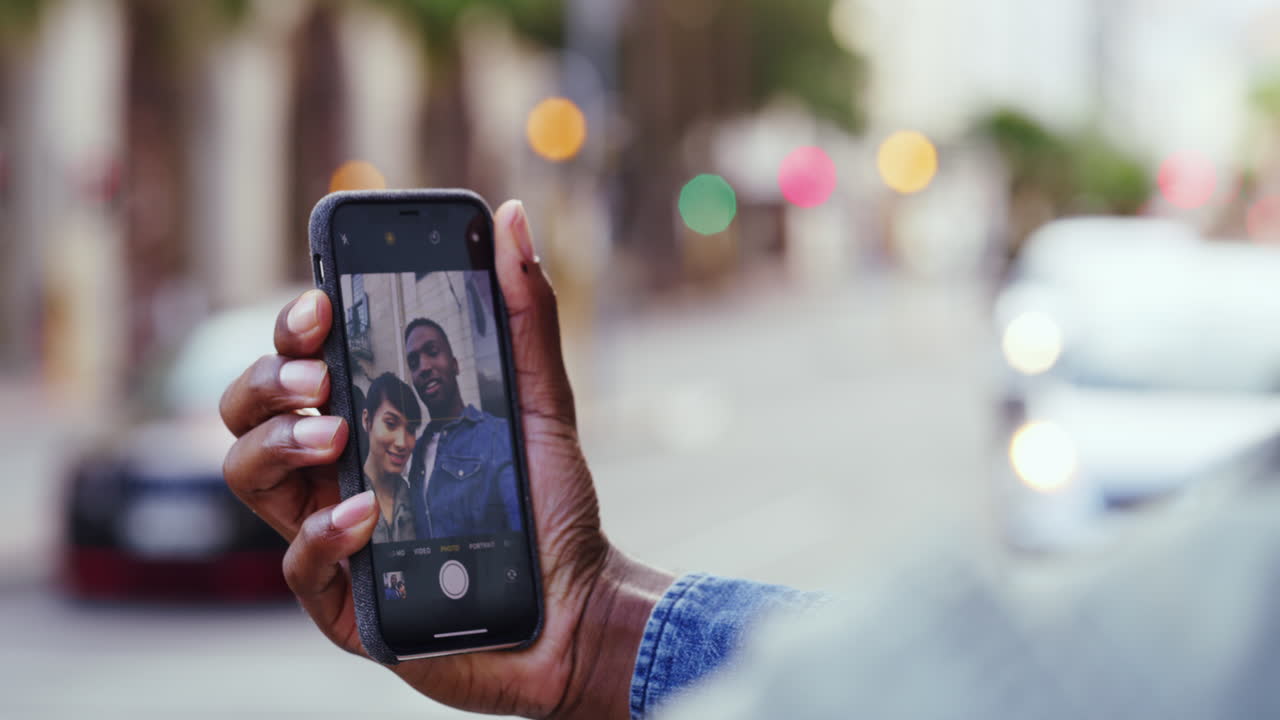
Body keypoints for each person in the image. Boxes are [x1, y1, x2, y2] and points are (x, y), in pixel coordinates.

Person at [220, 200, 1280, 719]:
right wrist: (592, 628)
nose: (423, 373)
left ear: (455, 359)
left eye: (433, 354)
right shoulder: (411, 458)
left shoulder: (481, 450)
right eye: (409, 362)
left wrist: (599, 633)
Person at [401, 315, 520, 538]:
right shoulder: (416, 452)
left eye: (432, 352)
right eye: (414, 363)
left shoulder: (499, 436)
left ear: (454, 364)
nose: (424, 367)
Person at [360, 372, 420, 544]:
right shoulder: (346, 496)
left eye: (411, 430)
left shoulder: (417, 500)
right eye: (391, 424)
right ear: (367, 420)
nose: (402, 443)